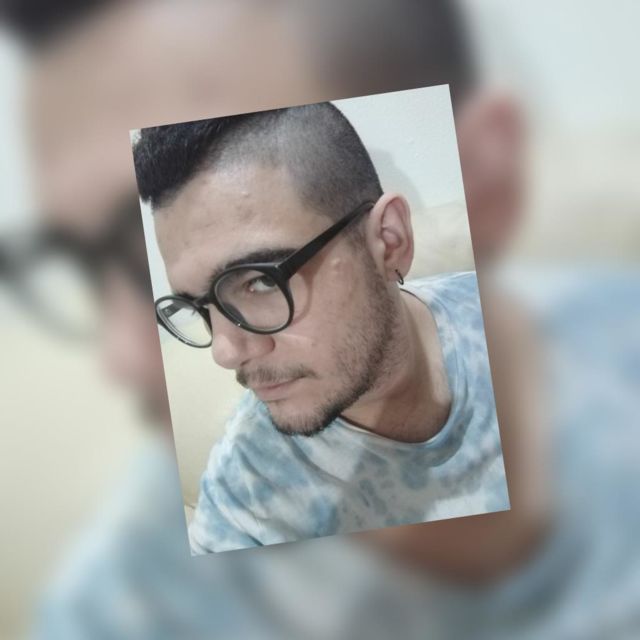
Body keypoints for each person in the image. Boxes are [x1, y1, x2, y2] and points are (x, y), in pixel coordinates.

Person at [133, 103, 509, 553]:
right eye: (198, 307)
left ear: (388, 240)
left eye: (259, 282)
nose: (225, 353)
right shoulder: (248, 490)